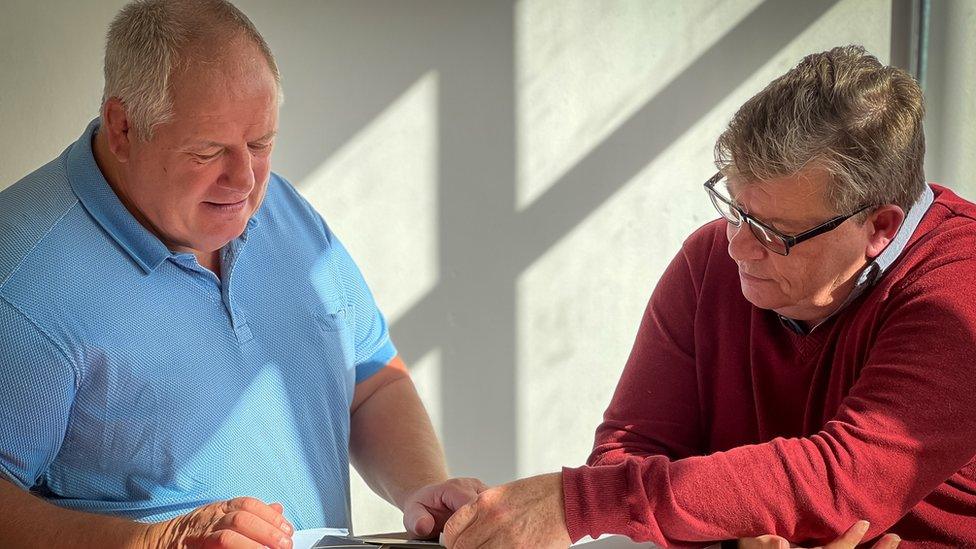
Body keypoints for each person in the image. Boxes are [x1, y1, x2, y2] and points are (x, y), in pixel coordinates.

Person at [442, 46, 976, 548]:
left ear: (880, 227)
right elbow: (628, 449)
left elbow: (843, 480)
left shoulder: (959, 284)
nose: (738, 246)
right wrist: (729, 538)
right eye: (736, 209)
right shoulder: (709, 261)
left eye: (775, 231)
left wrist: (574, 501)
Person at [0, 1, 483, 547]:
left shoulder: (280, 209)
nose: (245, 183)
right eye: (208, 152)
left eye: (260, 144)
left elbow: (370, 379)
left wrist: (420, 487)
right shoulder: (22, 280)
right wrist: (158, 543)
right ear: (123, 127)